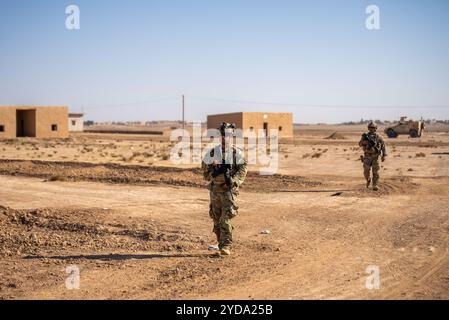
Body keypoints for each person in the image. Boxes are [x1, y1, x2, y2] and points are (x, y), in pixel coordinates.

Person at [201, 122, 248, 256]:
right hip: (215, 190)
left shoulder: (236, 153)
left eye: (227, 135)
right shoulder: (212, 152)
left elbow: (242, 169)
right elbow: (204, 171)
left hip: (228, 190)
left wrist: (234, 181)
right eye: (222, 135)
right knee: (216, 218)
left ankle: (226, 245)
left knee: (225, 218)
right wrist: (213, 171)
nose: (224, 137)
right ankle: (220, 243)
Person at [359, 122, 387, 191]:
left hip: (376, 157)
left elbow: (383, 146)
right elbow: (359, 144)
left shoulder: (379, 137)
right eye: (370, 128)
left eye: (373, 128)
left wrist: (384, 155)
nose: (371, 129)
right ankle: (368, 179)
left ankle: (375, 185)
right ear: (368, 128)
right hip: (367, 157)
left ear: (375, 129)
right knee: (366, 171)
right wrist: (364, 143)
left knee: (376, 172)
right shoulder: (365, 136)